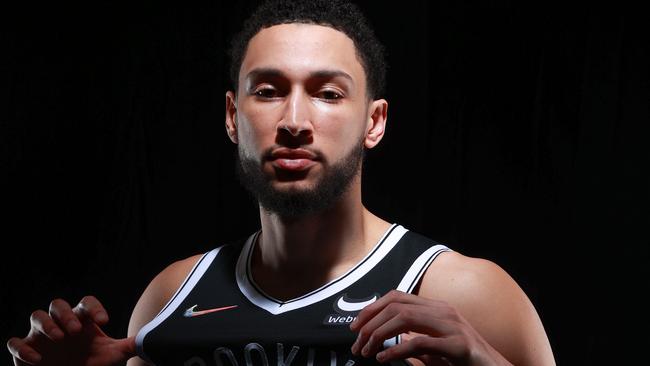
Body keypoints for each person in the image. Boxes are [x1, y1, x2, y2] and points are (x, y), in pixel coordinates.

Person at [7, 1, 556, 365]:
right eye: (267, 91)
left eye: (328, 93)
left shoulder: (464, 294)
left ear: (375, 121)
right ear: (231, 116)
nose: (294, 120)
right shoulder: (171, 298)